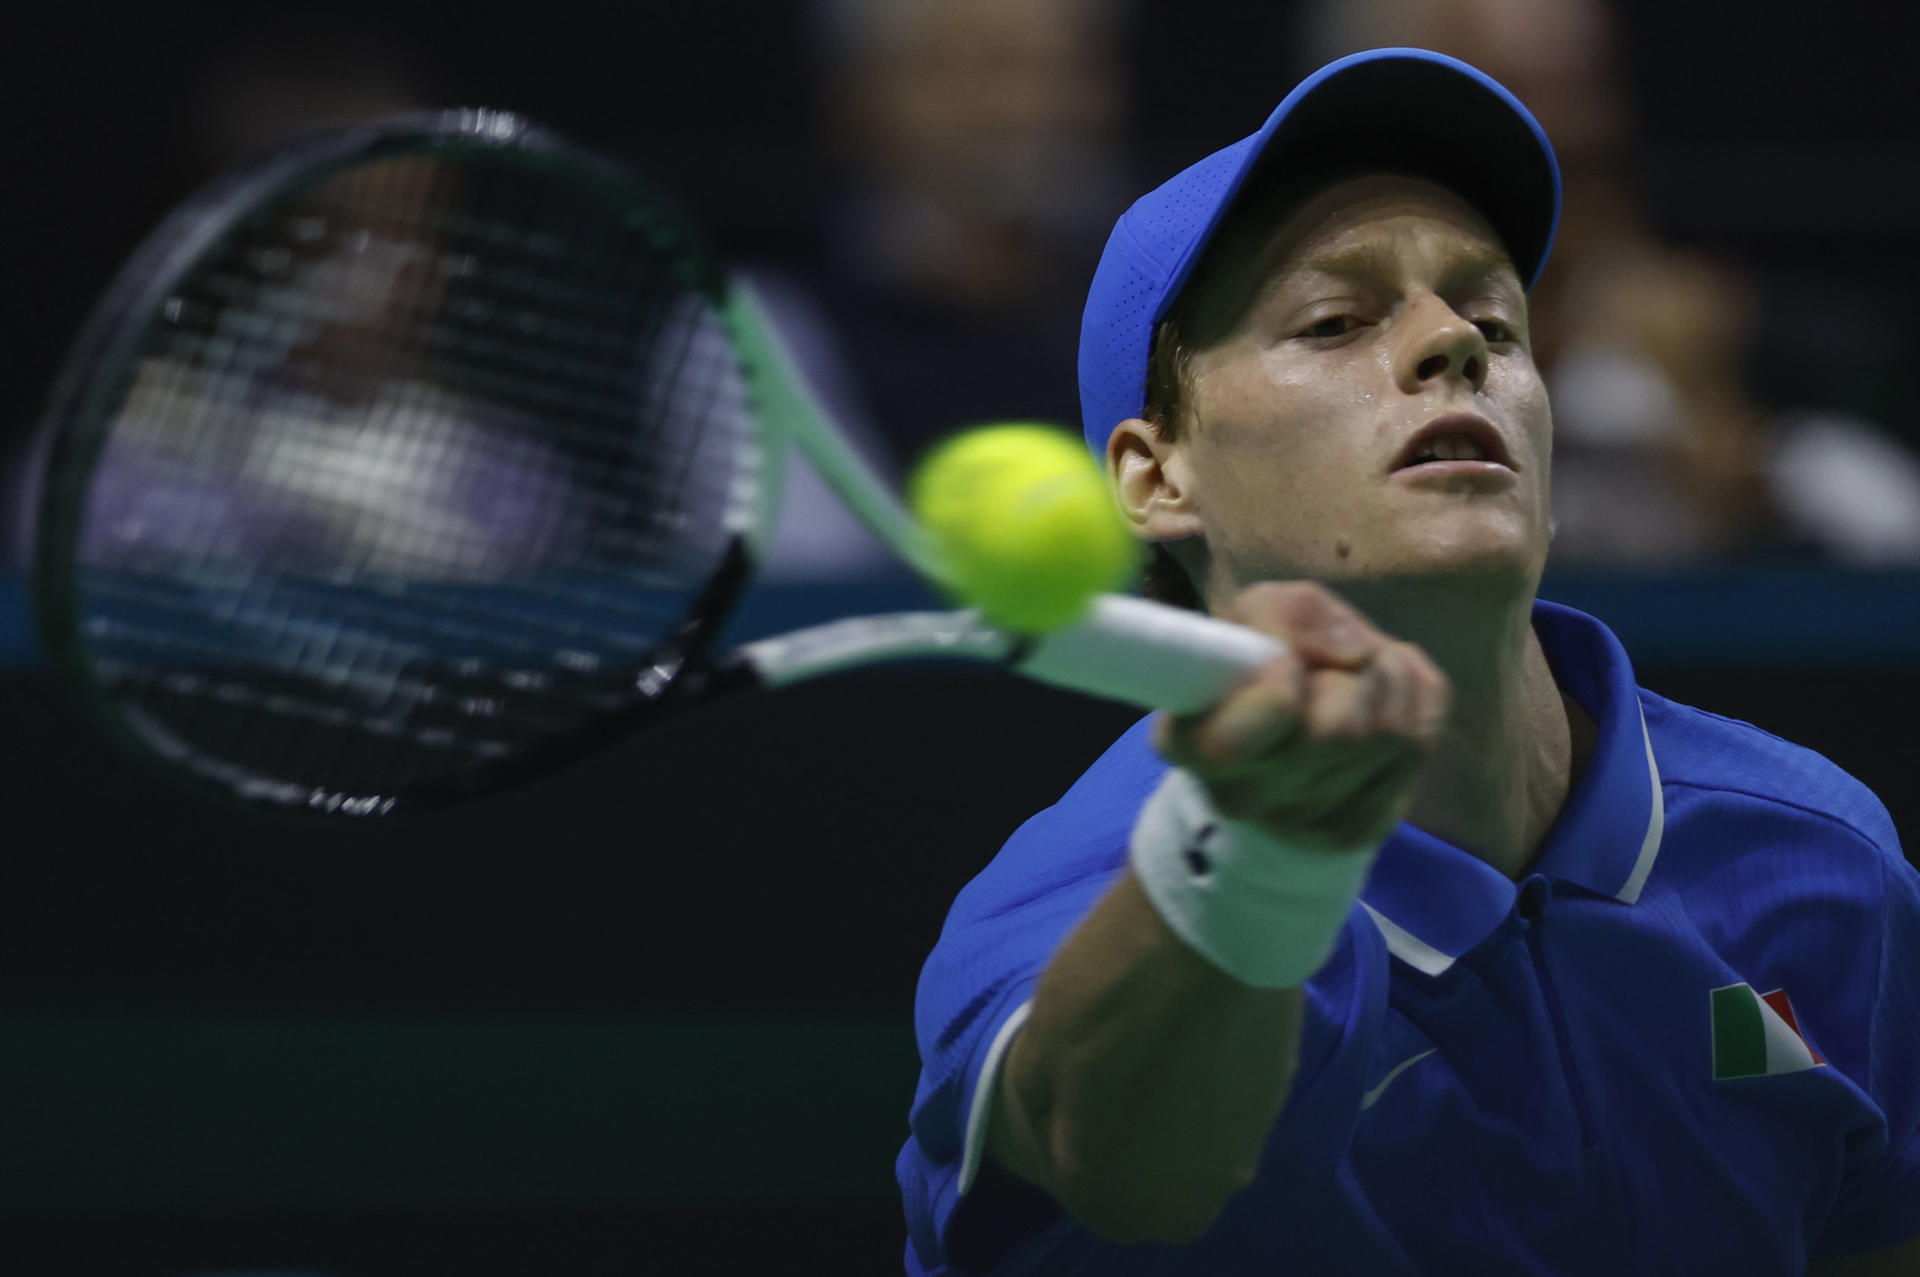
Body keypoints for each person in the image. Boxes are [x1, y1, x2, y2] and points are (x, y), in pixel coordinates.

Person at [896, 49, 1920, 1276]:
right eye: (1334, 320)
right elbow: (1125, 1170)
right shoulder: (1081, 899)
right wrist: (1254, 868)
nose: (1453, 344)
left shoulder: (1820, 855)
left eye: (1494, 318)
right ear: (1157, 473)